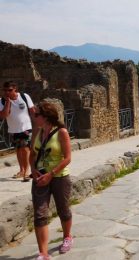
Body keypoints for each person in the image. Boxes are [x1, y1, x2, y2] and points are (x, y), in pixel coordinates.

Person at [30, 101, 73, 260]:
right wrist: (33, 170)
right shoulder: (37, 131)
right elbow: (32, 154)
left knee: (63, 210)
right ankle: (43, 253)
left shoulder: (61, 132)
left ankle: (67, 237)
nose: (34, 117)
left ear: (46, 116)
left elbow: (68, 158)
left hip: (59, 177)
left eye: (36, 114)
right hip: (40, 177)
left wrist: (51, 174)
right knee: (40, 214)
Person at [0, 81, 35, 182]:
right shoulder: (2, 101)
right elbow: (3, 116)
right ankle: (21, 170)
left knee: (25, 148)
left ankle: (27, 171)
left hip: (26, 128)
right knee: (19, 149)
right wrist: (7, 102)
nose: (7, 92)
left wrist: (38, 124)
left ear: (15, 89)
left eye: (10, 90)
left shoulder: (24, 96)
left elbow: (32, 111)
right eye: (5, 90)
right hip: (13, 130)